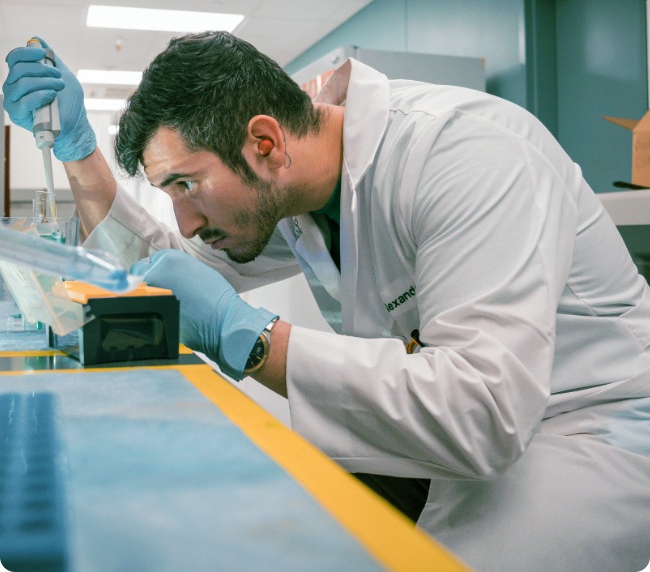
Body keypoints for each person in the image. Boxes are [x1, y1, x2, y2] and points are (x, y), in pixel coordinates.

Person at [4, 33, 650, 572]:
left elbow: (482, 411)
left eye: (187, 184)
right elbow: (162, 275)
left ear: (265, 143)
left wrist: (254, 340)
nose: (189, 221)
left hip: (589, 428)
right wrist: (80, 155)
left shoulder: (466, 152)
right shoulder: (299, 191)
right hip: (455, 427)